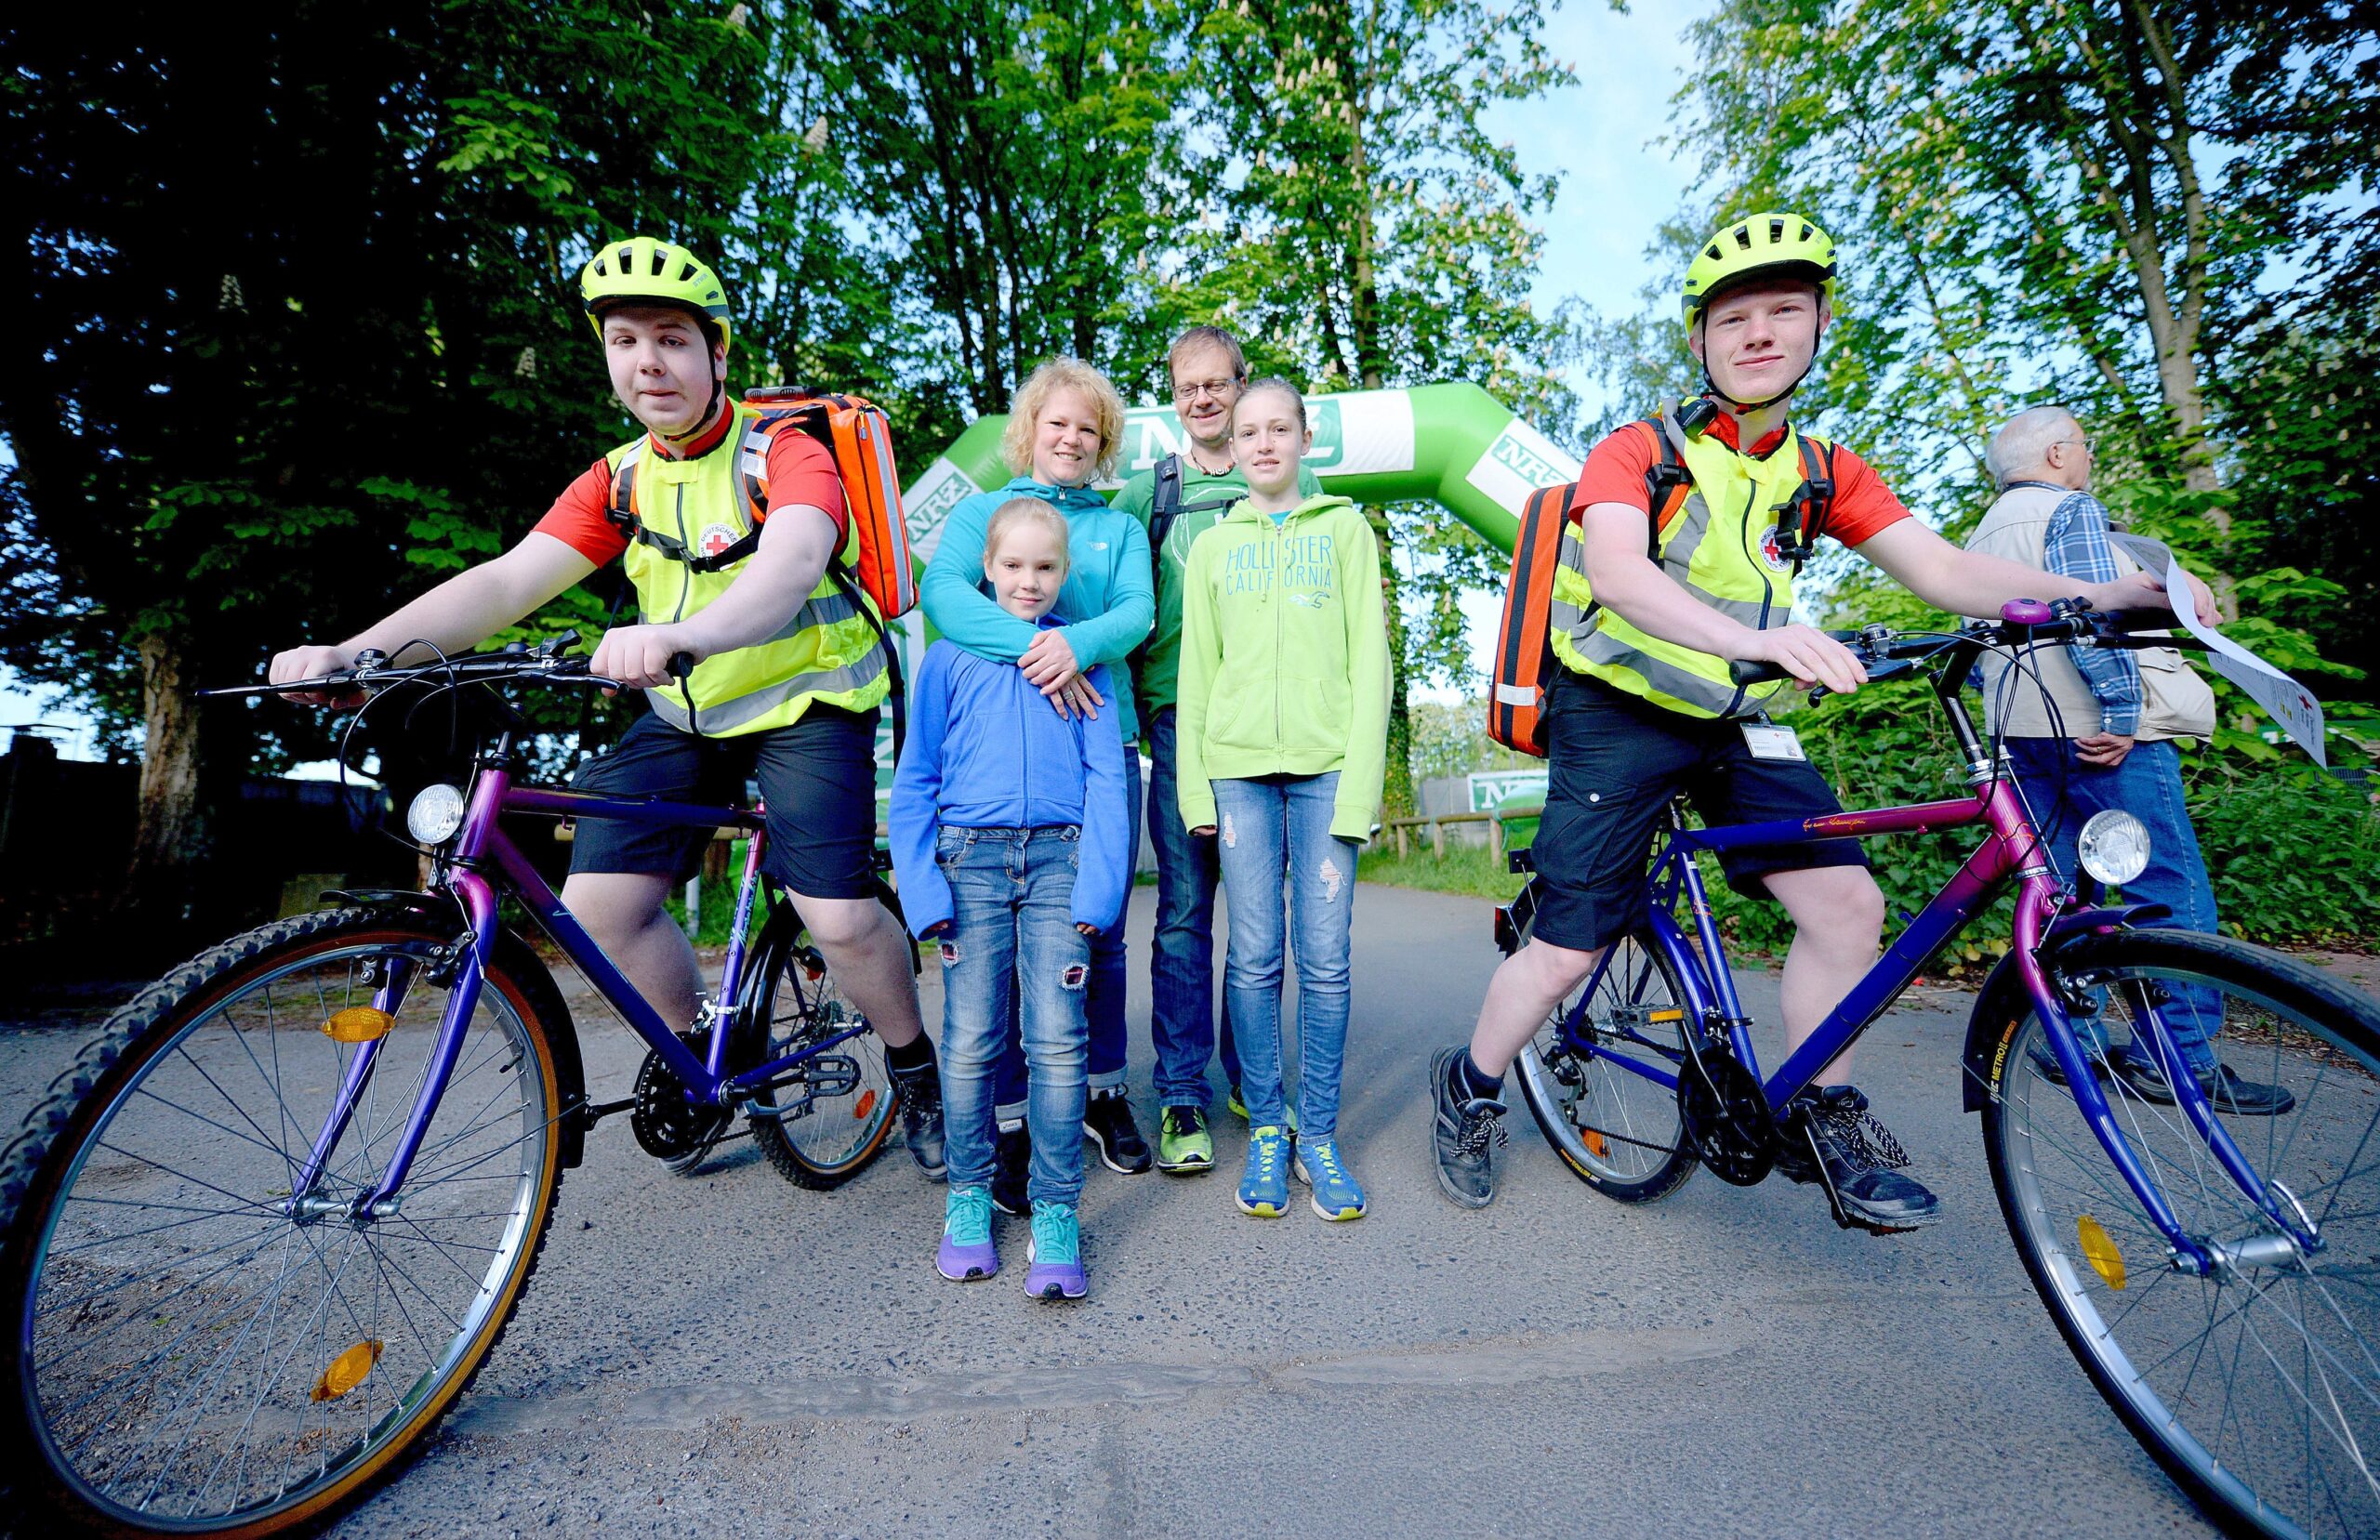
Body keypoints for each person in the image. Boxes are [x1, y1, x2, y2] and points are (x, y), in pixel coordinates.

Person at [1428, 213, 2215, 1230]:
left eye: (1783, 312)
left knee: (1847, 907)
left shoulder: (1821, 468)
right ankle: (1473, 1084)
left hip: (1739, 715)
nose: (1759, 333)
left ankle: (1819, 1106)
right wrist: (1752, 640)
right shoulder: (1636, 450)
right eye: (1735, 317)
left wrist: (2116, 591)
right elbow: (1618, 574)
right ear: (1702, 340)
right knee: (1572, 948)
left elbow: (1944, 571)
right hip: (1619, 710)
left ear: (1816, 325)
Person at [269, 236, 945, 1177]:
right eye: (624, 340)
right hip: (685, 711)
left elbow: (790, 567)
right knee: (598, 905)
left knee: (833, 916)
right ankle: (707, 1049)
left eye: (672, 338)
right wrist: (361, 652)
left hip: (808, 703)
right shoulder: (621, 476)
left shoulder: (782, 452)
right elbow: (507, 582)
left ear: (718, 354)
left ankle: (915, 1070)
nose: (647, 362)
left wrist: (689, 635)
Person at [1968, 406, 2290, 1113]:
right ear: (2056, 453)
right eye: (2082, 447)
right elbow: (2097, 621)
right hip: (2095, 732)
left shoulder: (1984, 531)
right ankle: (2176, 1060)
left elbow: (1973, 646)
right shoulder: (2072, 509)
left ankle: (2066, 1042)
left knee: (2059, 891)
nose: (2087, 459)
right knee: (2166, 889)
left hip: (2019, 732)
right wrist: (2120, 713)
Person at [919, 359, 1155, 1210]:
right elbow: (940, 592)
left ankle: (1101, 1091)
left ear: (1103, 444)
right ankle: (1016, 1117)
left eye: (1087, 430)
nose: (1071, 439)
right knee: (1004, 956)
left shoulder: (1120, 525)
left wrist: (1077, 645)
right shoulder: (984, 513)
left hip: (1098, 736)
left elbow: (1136, 614)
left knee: (1102, 930)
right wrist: (1038, 649)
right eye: (1058, 424)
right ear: (1030, 428)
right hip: (995, 761)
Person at [892, 498, 1132, 1300]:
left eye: (1046, 567)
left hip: (1064, 861)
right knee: (969, 1040)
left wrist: (1100, 887)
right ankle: (970, 1195)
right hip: (970, 863)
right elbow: (916, 776)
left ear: (1065, 573)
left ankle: (1055, 1208)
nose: (1029, 582)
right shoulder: (952, 656)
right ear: (987, 569)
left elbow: (1109, 779)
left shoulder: (1087, 659)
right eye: (1014, 565)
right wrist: (922, 888)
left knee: (1058, 1040)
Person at [1111, 326, 1327, 1173]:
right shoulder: (1147, 495)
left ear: (1244, 386)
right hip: (1178, 726)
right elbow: (1110, 602)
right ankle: (1180, 1096)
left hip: (1270, 729)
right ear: (1173, 395)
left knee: (1260, 919)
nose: (1204, 398)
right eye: (1187, 386)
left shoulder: (1280, 479)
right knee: (1183, 916)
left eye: (1218, 384)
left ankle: (1252, 1073)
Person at [1177, 378, 1391, 1220]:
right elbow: (1197, 671)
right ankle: (1268, 1126)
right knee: (1255, 955)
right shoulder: (1211, 550)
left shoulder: (1345, 532)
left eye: (1279, 429)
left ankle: (1320, 1137)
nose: (1263, 443)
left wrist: (1360, 791)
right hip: (1236, 774)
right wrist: (1198, 784)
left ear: (1306, 440)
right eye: (1248, 432)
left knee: (1326, 958)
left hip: (1327, 768)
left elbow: (1370, 664)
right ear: (1230, 450)